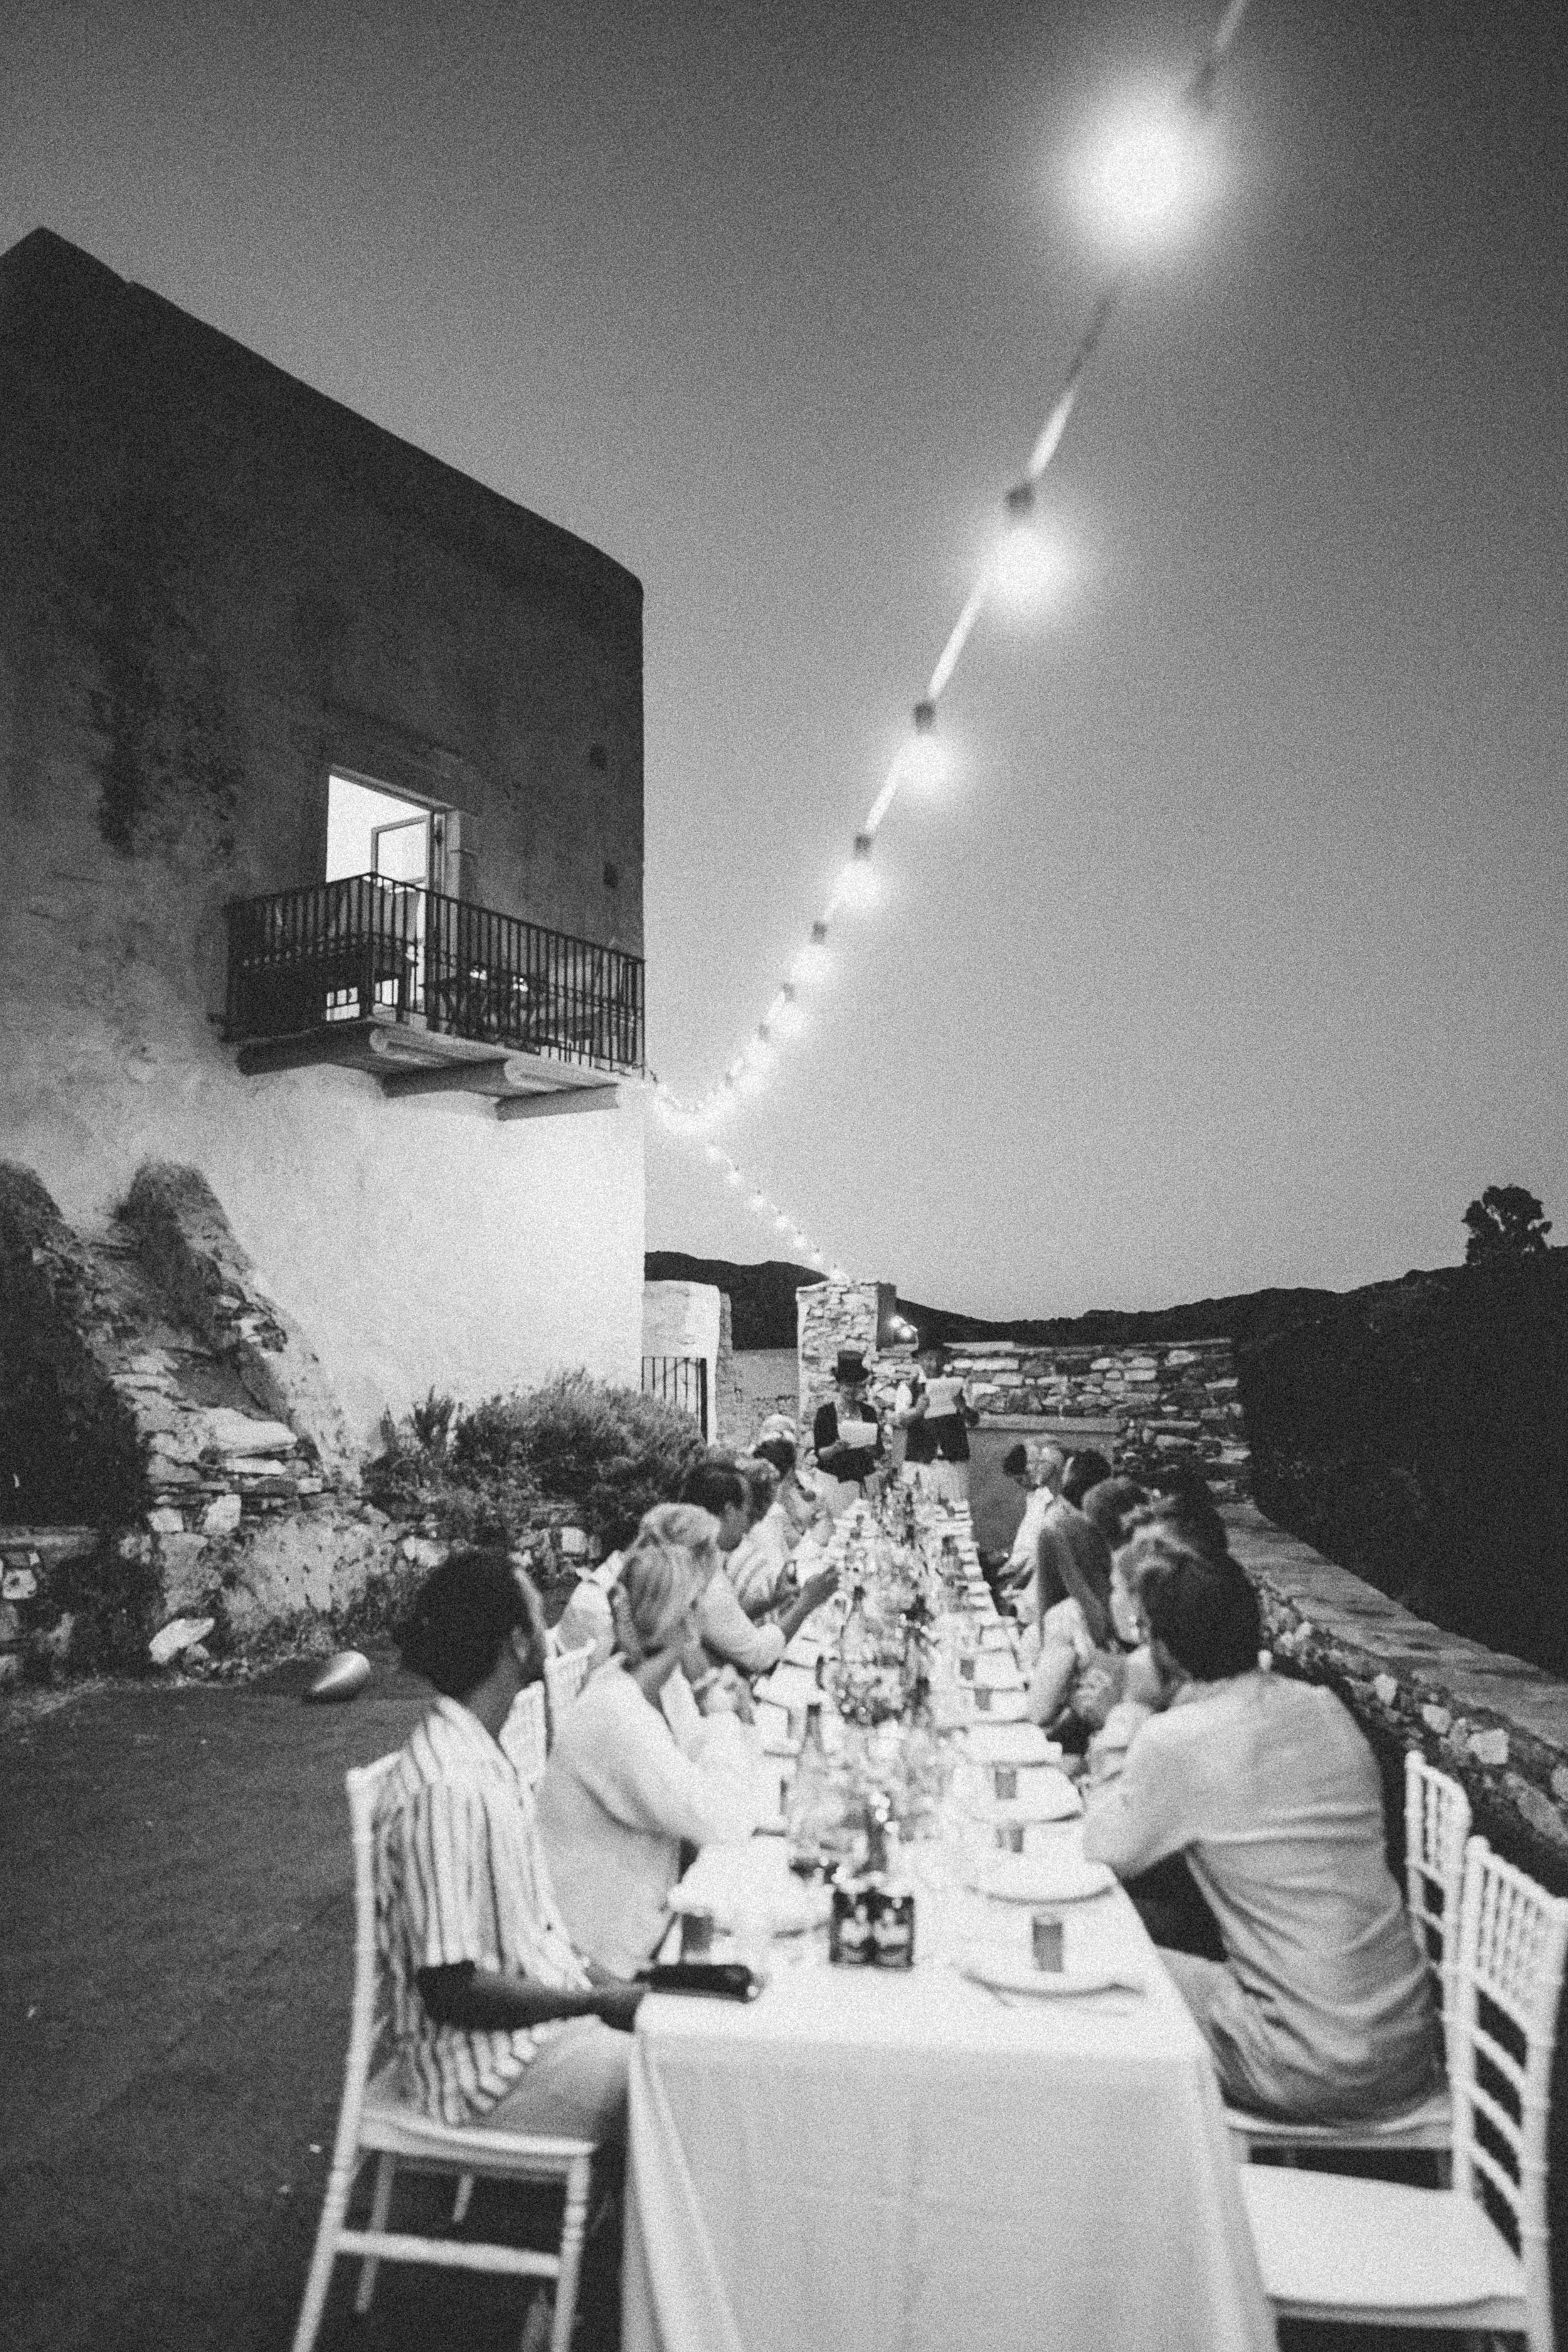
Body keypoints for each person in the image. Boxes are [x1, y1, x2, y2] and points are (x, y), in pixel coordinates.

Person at [1082, 1537, 1441, 2122]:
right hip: (1403, 2046)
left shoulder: (1178, 1739)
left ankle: (1157, 2177)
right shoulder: (1322, 1706)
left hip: (1303, 2060)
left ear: (1161, 1647)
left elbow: (1096, 1852)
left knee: (1098, 1958)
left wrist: (1125, 1715)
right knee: (1157, 1937)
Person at [374, 1549, 642, 2145]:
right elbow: (451, 1989)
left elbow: (536, 1934)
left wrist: (611, 1988)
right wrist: (592, 2005)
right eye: (538, 1620)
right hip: (484, 2073)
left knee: (691, 2042)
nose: (551, 1634)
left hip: (537, 2041)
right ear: (519, 1643)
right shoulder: (445, 1785)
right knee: (682, 2082)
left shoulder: (484, 1752)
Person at [536, 1515, 763, 1976]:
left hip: (647, 1929)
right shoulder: (616, 1713)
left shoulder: (652, 1683)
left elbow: (708, 1770)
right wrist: (723, 1716)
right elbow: (723, 1819)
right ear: (689, 1620)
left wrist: (723, 1709)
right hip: (608, 1961)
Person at [674, 1473, 839, 1682]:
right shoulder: (704, 1577)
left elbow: (725, 1625)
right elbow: (759, 1656)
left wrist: (772, 1601)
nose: (749, 1526)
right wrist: (807, 1602)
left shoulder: (697, 1557)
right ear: (729, 1511)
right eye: (747, 1512)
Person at [893, 1339, 980, 1503]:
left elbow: (974, 1421)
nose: (934, 1364)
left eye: (938, 1358)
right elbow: (900, 1420)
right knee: (921, 1512)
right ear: (919, 1359)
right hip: (921, 1463)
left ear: (945, 1360)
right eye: (928, 1359)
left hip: (953, 1464)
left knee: (955, 1512)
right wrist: (917, 1411)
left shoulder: (958, 1385)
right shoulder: (908, 1387)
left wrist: (962, 1408)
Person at [811, 1349, 885, 1515]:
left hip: (864, 1480)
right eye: (848, 1386)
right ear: (839, 1385)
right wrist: (835, 1448)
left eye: (857, 1386)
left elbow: (879, 1451)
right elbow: (820, 1453)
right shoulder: (826, 1413)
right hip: (836, 1483)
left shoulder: (868, 1413)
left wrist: (870, 1448)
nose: (852, 1390)